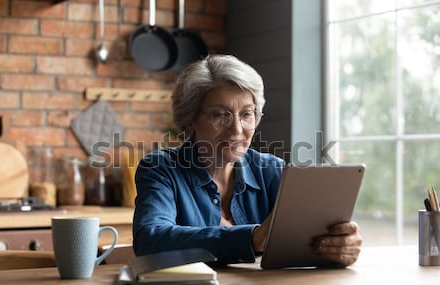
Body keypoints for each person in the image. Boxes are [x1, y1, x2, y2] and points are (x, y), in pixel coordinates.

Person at [133, 54, 362, 267]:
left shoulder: (273, 171)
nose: (236, 129)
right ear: (190, 120)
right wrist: (251, 238)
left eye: (246, 114)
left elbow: (307, 244)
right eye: (220, 115)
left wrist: (337, 246)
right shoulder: (161, 169)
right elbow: (150, 240)